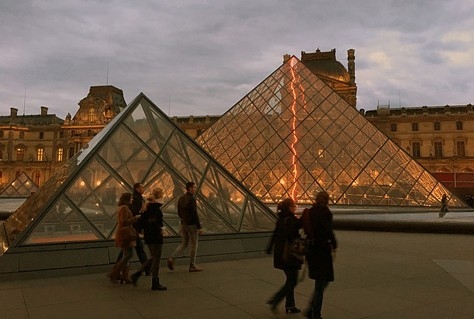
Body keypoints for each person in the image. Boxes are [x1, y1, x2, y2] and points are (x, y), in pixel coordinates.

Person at [302, 191, 337, 319]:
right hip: (322, 251)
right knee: (322, 282)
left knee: (320, 282)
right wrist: (333, 243)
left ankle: (311, 309)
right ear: (327, 200)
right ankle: (315, 312)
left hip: (312, 250)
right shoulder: (325, 213)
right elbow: (327, 230)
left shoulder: (310, 211)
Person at [266, 198, 302, 314]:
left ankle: (290, 305)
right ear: (290, 208)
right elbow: (292, 235)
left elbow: (275, 234)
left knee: (290, 279)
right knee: (293, 280)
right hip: (289, 255)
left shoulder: (281, 219)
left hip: (281, 254)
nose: (295, 207)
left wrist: (269, 248)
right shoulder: (290, 220)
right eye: (294, 206)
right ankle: (276, 299)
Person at [131, 188, 167, 290]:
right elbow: (157, 223)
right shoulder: (157, 210)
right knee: (156, 259)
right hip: (156, 236)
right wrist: (161, 229)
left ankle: (137, 274)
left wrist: (142, 231)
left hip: (148, 236)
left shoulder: (146, 208)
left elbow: (140, 223)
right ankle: (155, 282)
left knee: (152, 257)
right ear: (160, 197)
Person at [115, 183, 151, 275]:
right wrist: (139, 215)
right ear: (137, 189)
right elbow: (127, 218)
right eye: (142, 187)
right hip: (131, 230)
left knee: (127, 252)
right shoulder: (135, 201)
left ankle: (117, 270)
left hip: (130, 230)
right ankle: (117, 271)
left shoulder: (131, 202)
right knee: (135, 250)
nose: (144, 188)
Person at [167, 181, 204, 272]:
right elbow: (194, 214)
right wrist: (199, 227)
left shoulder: (181, 198)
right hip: (191, 224)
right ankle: (192, 265)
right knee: (194, 245)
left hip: (183, 224)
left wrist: (183, 219)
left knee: (184, 243)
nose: (195, 189)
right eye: (194, 187)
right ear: (190, 188)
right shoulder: (191, 199)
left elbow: (179, 212)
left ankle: (172, 258)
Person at [109, 192, 136, 284]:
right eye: (131, 198)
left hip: (124, 233)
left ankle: (123, 275)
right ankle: (116, 272)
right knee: (129, 255)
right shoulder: (124, 208)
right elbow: (123, 221)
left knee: (126, 255)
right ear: (127, 199)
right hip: (125, 234)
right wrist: (135, 218)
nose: (132, 199)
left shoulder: (122, 207)